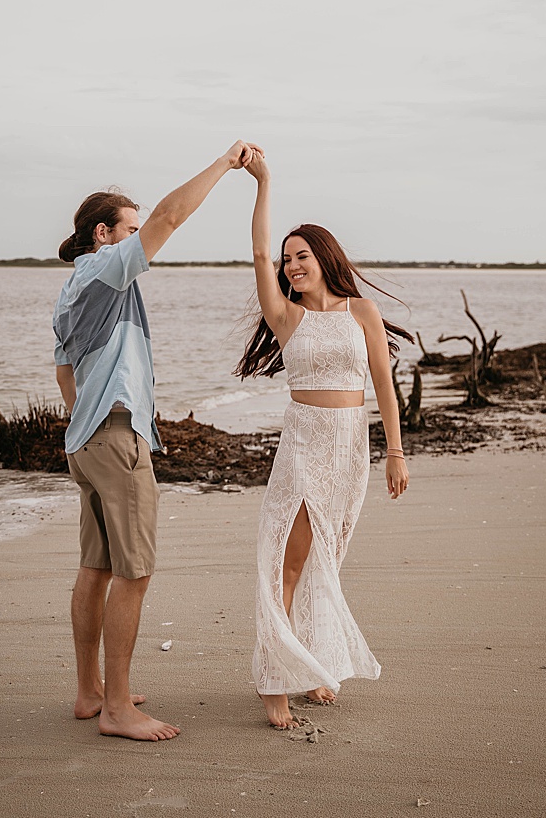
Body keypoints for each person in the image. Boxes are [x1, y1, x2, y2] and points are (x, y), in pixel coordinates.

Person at [53, 140, 260, 741]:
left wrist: (82, 423)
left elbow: (64, 372)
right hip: (116, 438)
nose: (142, 236)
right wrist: (225, 164)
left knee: (97, 565)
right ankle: (118, 708)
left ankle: (91, 691)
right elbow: (172, 217)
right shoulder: (105, 267)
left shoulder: (71, 288)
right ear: (103, 233)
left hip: (86, 439)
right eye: (131, 228)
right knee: (135, 572)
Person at [235, 152, 411, 730]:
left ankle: (307, 664)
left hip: (351, 450)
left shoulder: (362, 310)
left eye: (301, 256)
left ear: (324, 257)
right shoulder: (287, 317)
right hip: (305, 447)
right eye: (287, 260)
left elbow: (383, 383)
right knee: (289, 562)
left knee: (324, 562)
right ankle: (274, 678)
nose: (290, 266)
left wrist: (396, 450)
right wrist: (264, 184)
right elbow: (259, 252)